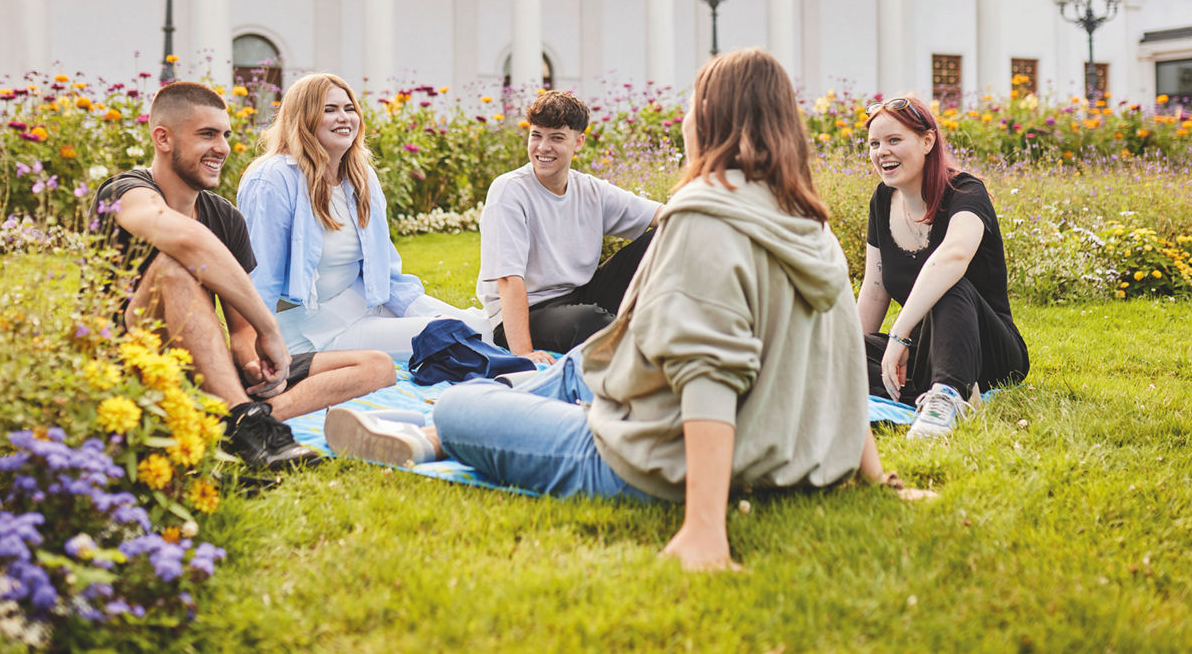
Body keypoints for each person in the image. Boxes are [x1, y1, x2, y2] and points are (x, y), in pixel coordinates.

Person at [327, 49, 895, 571]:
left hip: (646, 457)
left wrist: (704, 529)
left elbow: (708, 371)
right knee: (582, 363)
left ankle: (434, 432)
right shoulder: (807, 221)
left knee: (460, 404)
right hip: (766, 447)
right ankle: (430, 433)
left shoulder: (703, 220)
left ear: (707, 120)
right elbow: (840, 348)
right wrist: (872, 474)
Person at [90, 81, 395, 469]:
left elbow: (239, 330)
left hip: (202, 364)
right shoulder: (125, 191)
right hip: (131, 363)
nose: (222, 147)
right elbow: (186, 241)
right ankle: (245, 424)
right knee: (174, 268)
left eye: (225, 135)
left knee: (376, 366)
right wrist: (270, 327)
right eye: (206, 135)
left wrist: (254, 362)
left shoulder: (225, 217)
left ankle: (245, 421)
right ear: (163, 138)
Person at [237, 73, 486, 365]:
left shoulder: (360, 176)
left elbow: (386, 273)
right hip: (313, 331)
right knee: (453, 337)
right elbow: (259, 277)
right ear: (303, 119)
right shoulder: (274, 179)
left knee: (483, 327)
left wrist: (424, 309)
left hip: (362, 304)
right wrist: (259, 351)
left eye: (349, 108)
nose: (344, 118)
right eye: (329, 110)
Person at [857, 95, 1029, 440]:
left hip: (988, 346)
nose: (881, 152)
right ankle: (944, 387)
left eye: (894, 140)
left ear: (927, 140)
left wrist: (898, 335)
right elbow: (875, 288)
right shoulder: (881, 200)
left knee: (950, 282)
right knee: (830, 353)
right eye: (875, 143)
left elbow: (953, 257)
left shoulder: (965, 191)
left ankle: (945, 397)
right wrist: (849, 347)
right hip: (923, 349)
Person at [477, 90, 662, 363]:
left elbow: (661, 214)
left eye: (557, 137)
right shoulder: (509, 191)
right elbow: (508, 279)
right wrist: (524, 354)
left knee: (668, 234)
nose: (542, 147)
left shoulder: (589, 189)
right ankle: (655, 349)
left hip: (579, 296)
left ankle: (691, 318)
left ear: (579, 142)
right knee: (589, 321)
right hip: (527, 312)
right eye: (536, 135)